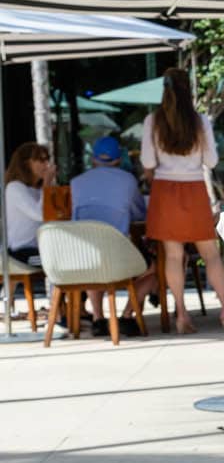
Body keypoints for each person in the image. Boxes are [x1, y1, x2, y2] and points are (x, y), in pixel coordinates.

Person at [141, 71, 224, 334]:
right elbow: (211, 161)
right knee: (211, 254)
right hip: (194, 188)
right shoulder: (200, 121)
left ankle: (182, 315)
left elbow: (148, 162)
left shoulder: (152, 121)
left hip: (165, 190)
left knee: (174, 256)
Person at [71, 134, 158, 333]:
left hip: (84, 256)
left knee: (94, 267)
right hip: (118, 255)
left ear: (93, 159)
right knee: (154, 269)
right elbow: (140, 214)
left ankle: (98, 318)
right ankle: (127, 316)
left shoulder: (76, 182)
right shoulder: (128, 180)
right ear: (118, 159)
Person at [4, 141, 53, 263]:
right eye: (41, 160)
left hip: (40, 248)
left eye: (47, 159)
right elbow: (40, 214)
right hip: (21, 252)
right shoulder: (14, 188)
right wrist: (46, 185)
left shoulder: (37, 190)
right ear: (25, 163)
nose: (46, 164)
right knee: (58, 261)